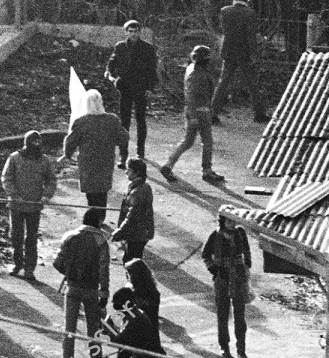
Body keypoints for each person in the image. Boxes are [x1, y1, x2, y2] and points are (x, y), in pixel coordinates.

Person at [52, 209, 109, 358]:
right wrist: (104, 293)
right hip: (91, 290)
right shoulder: (101, 240)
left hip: (72, 287)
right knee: (94, 328)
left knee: (69, 330)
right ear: (97, 222)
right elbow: (104, 269)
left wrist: (69, 273)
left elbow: (57, 262)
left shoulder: (69, 236)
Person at [160, 46, 223, 184]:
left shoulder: (193, 69)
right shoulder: (196, 73)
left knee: (188, 141)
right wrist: (194, 115)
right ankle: (207, 170)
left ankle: (168, 164)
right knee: (207, 141)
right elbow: (191, 95)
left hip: (196, 110)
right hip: (200, 111)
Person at [59, 90, 126, 220]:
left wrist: (67, 155)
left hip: (88, 162)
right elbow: (124, 137)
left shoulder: (81, 122)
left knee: (91, 191)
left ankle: (92, 218)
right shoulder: (112, 119)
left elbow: (70, 142)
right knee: (102, 190)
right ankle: (101, 217)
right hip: (105, 160)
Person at [1, 131, 56, 280]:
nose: (35, 148)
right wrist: (14, 195)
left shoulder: (44, 160)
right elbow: (7, 178)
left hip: (34, 206)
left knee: (31, 238)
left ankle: (30, 268)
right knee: (16, 236)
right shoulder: (14, 158)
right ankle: (18, 264)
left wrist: (46, 196)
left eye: (38, 144)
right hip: (16, 206)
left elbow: (51, 180)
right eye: (33, 143)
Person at [105, 20, 159, 160]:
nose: (133, 34)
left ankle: (140, 152)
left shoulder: (147, 48)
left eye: (136, 31)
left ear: (140, 32)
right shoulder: (120, 47)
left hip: (141, 88)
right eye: (130, 31)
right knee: (125, 122)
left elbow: (152, 70)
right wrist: (114, 77)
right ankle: (123, 154)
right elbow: (111, 64)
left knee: (141, 120)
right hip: (125, 88)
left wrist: (150, 88)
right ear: (125, 32)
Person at [214, 0, 267, 123]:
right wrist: (254, 53)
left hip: (229, 50)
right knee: (252, 83)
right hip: (244, 51)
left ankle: (213, 112)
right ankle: (259, 113)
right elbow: (251, 36)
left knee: (223, 82)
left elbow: (224, 31)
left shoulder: (224, 11)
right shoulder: (250, 13)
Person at [202, 216, 253, 358]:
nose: (232, 224)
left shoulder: (240, 233)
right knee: (222, 315)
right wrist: (214, 270)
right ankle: (224, 346)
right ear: (222, 222)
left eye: (233, 221)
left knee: (240, 316)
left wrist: (247, 265)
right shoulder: (215, 235)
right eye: (229, 221)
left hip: (238, 278)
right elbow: (205, 254)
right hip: (222, 279)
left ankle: (241, 350)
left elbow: (247, 251)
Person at [111, 159, 154, 263]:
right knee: (133, 260)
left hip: (137, 234)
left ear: (137, 172)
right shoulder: (144, 186)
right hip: (140, 232)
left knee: (130, 262)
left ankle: (134, 279)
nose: (126, 172)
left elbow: (132, 216)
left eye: (128, 170)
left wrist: (120, 231)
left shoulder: (137, 192)